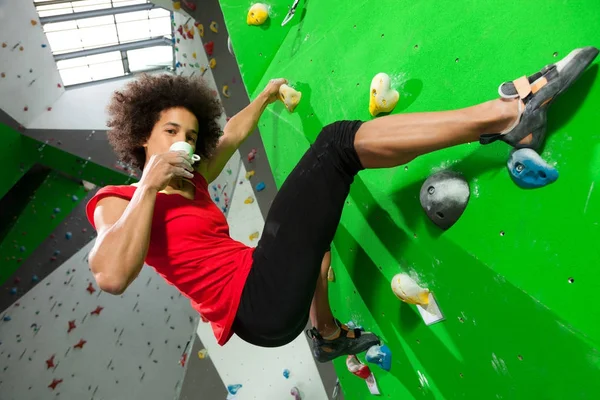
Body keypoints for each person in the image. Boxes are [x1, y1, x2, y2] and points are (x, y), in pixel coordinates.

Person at [86, 47, 597, 363]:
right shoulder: (120, 201)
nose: (184, 141)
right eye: (170, 131)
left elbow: (232, 136)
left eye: (190, 133)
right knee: (335, 146)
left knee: (316, 226)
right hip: (255, 303)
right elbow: (110, 273)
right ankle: (507, 115)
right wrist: (148, 186)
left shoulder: (192, 178)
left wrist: (263, 98)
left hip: (263, 293)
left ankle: (327, 334)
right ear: (141, 139)